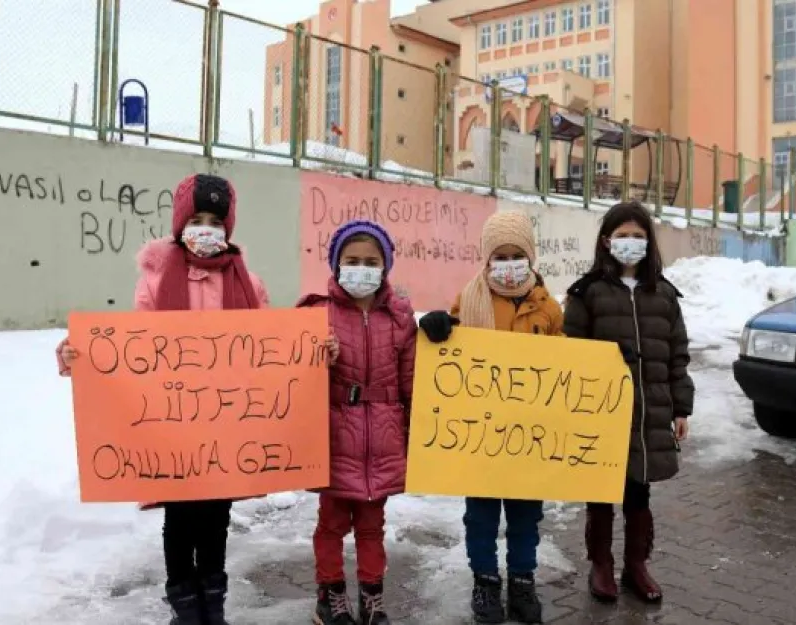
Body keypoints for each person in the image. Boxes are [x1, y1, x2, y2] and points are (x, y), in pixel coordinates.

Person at [55, 173, 270, 625]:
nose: (206, 229)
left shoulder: (250, 284)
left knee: (216, 518)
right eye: (197, 219)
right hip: (173, 428)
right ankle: (185, 606)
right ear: (180, 224)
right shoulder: (154, 282)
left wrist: (311, 355)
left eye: (215, 220)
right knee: (180, 520)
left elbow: (270, 351)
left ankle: (213, 602)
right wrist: (84, 356)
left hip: (227, 426)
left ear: (228, 227)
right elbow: (136, 351)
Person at [418, 210, 563, 625]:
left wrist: (603, 361)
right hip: (481, 438)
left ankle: (522, 580)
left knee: (525, 516)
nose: (509, 263)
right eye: (500, 255)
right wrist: (436, 326)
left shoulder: (549, 307)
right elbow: (449, 347)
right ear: (486, 259)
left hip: (529, 438)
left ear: (530, 256)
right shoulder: (470, 300)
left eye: (517, 254)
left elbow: (565, 358)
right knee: (480, 516)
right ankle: (485, 581)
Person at [561, 200, 694, 604]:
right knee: (601, 489)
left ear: (649, 243)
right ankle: (601, 565)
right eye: (622, 236)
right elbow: (570, 351)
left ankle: (636, 565)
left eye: (638, 236)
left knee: (639, 490)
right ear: (606, 241)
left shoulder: (665, 296)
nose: (630, 243)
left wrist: (681, 407)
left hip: (649, 412)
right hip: (602, 413)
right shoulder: (587, 293)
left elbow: (678, 354)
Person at [297, 219, 417, 625]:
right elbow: (293, 384)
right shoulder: (315, 312)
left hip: (382, 443)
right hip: (332, 442)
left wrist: (421, 432)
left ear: (385, 266)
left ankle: (372, 599)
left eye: (371, 261)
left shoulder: (401, 316)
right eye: (352, 261)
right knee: (330, 525)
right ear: (335, 264)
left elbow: (411, 382)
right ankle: (329, 597)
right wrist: (318, 361)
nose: (361, 269)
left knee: (372, 527)